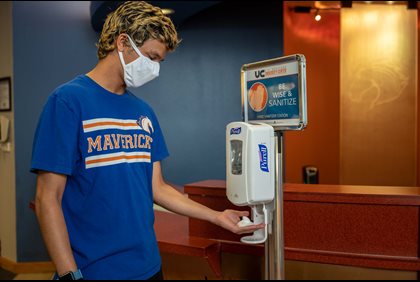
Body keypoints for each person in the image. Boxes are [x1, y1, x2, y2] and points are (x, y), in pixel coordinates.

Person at [31, 1, 264, 280]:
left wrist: (216, 216)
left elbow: (158, 188)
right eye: (151, 57)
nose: (155, 68)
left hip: (149, 267)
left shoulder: (143, 112)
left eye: (159, 61)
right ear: (123, 43)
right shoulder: (68, 102)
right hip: (95, 272)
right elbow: (48, 199)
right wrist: (70, 274)